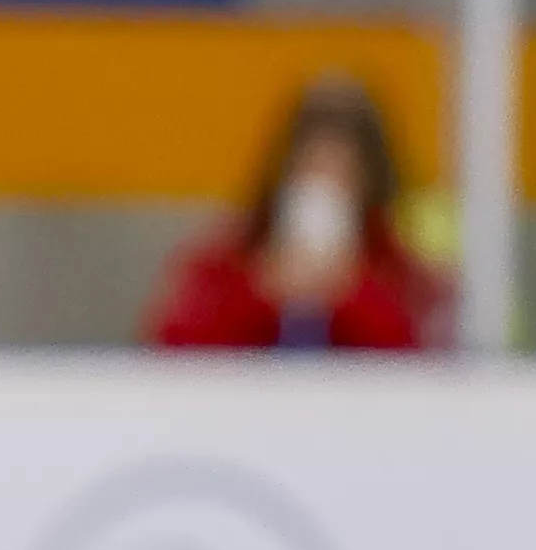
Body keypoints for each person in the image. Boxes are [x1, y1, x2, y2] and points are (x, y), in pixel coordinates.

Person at [143, 73, 446, 353]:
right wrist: (262, 292)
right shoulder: (227, 258)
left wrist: (350, 293)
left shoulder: (400, 273)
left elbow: (421, 367)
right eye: (310, 170)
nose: (324, 187)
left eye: (344, 176)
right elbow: (173, 351)